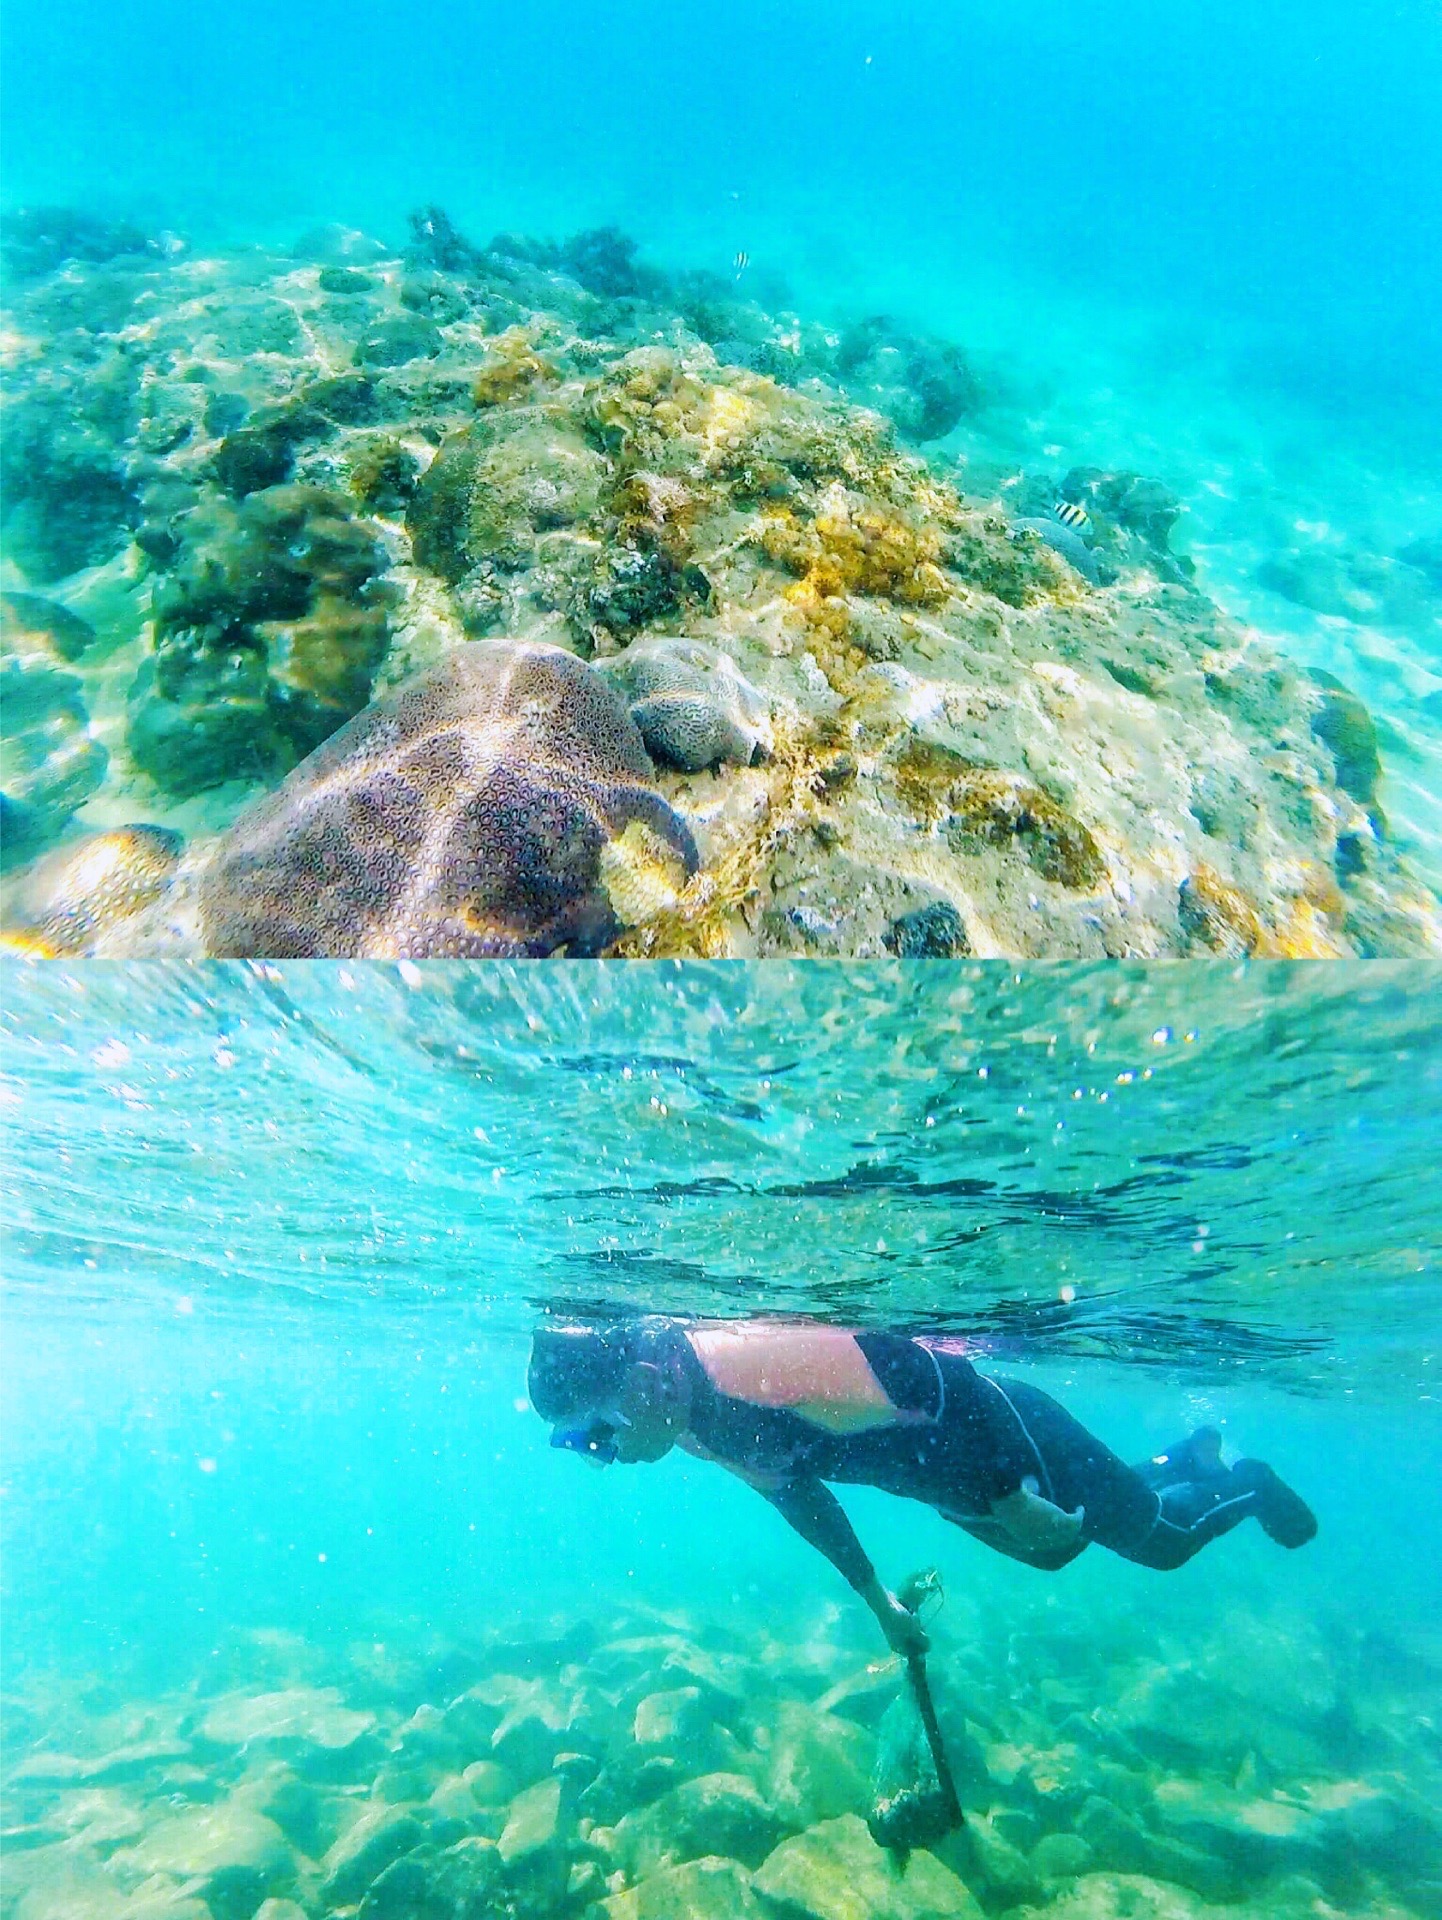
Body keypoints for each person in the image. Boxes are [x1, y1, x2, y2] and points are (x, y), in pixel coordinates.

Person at [528, 1316, 1317, 1655]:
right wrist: (881, 1606)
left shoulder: (742, 1363)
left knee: (1165, 1546)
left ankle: (1248, 1480)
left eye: (594, 1435)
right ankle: (1189, 1457)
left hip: (1005, 1438)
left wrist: (1011, 1490)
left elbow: (956, 1381)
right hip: (957, 1479)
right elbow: (797, 1493)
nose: (605, 1456)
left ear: (638, 1383)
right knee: (1055, 1556)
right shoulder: (691, 1421)